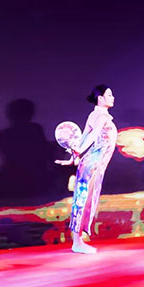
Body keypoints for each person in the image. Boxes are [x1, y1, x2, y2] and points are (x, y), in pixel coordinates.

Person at [56, 85, 117, 254]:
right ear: (100, 98)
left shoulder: (95, 115)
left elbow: (83, 138)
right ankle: (77, 242)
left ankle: (78, 241)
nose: (113, 97)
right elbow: (92, 135)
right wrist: (78, 153)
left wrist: (73, 158)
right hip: (92, 165)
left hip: (92, 165)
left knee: (85, 200)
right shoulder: (101, 116)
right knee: (83, 200)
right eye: (109, 95)